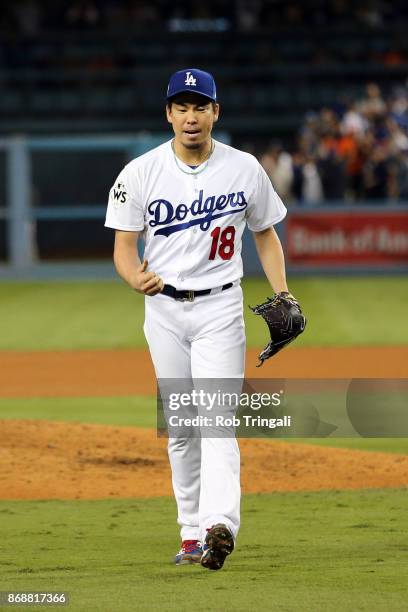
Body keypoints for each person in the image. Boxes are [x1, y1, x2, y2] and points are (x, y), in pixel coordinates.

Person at [105, 68, 291, 570]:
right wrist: (131, 277)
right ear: (168, 114)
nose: (191, 116)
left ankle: (220, 526)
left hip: (220, 309)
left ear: (215, 112)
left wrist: (283, 292)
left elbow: (266, 233)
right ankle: (191, 532)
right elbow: (124, 247)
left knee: (216, 422)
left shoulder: (243, 167)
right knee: (183, 426)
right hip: (162, 310)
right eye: (182, 107)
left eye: (200, 106)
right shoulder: (140, 172)